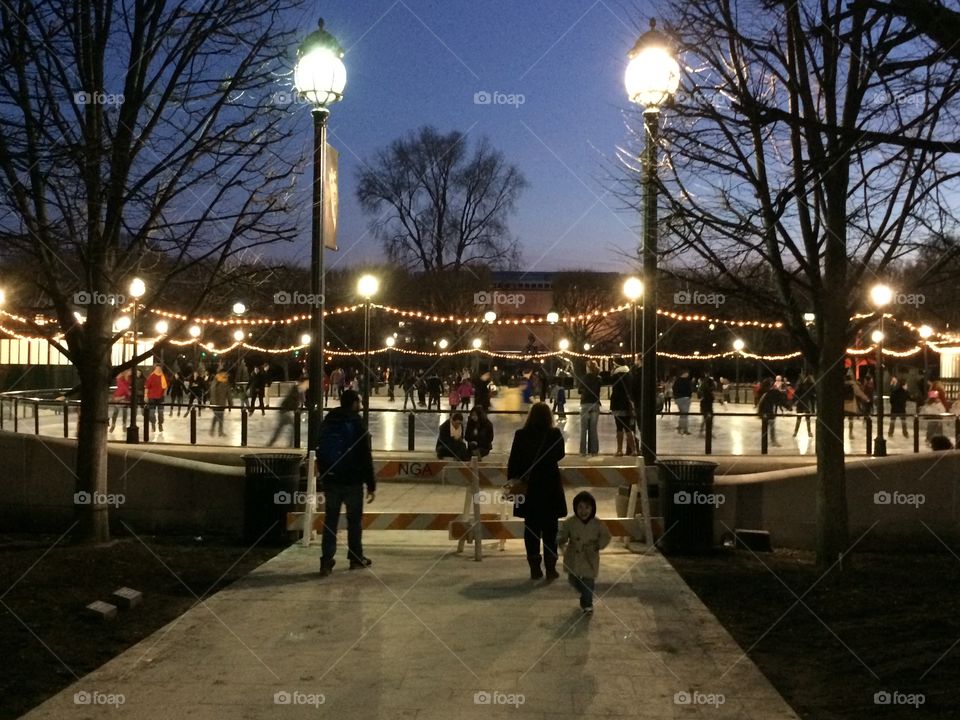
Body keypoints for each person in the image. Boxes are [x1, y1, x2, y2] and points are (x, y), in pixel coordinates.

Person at [318, 389, 375, 576]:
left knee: (330, 520)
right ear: (353, 403)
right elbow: (365, 455)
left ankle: (326, 561)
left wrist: (325, 473)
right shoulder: (357, 423)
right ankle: (355, 558)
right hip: (352, 480)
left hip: (332, 479)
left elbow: (318, 448)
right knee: (354, 521)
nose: (361, 405)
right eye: (359, 401)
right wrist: (371, 483)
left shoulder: (329, 420)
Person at [507, 402, 566, 580]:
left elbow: (513, 461)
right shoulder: (554, 434)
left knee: (531, 529)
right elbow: (560, 454)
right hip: (550, 488)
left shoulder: (521, 435)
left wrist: (513, 482)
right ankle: (551, 567)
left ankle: (534, 567)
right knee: (550, 530)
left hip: (529, 489)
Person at [557, 490, 611, 613]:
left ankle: (587, 603)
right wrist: (560, 540)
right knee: (573, 579)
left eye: (587, 507)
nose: (583, 511)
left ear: (592, 508)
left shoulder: (598, 524)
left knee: (588, 580)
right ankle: (585, 593)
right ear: (575, 508)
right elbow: (563, 534)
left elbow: (606, 536)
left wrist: (598, 545)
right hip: (573, 555)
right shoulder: (570, 522)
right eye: (580, 507)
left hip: (589, 555)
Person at [609, 359, 636, 456]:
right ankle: (634, 450)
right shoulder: (629, 375)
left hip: (618, 405)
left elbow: (614, 390)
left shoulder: (616, 376)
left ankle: (619, 450)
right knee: (628, 428)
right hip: (627, 405)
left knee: (619, 428)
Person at [267, 379, 305, 447]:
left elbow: (299, 401)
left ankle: (271, 443)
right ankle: (290, 444)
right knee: (292, 428)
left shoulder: (297, 390)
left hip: (284, 412)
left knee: (279, 430)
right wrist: (296, 408)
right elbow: (293, 402)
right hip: (285, 413)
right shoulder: (297, 391)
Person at [578, 360, 602, 455]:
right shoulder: (599, 378)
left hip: (585, 404)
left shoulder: (584, 378)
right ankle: (594, 451)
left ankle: (583, 451)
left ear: (588, 368)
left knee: (584, 429)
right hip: (595, 404)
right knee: (593, 429)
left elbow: (580, 391)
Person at [757, 379, 788, 447]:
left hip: (763, 411)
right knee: (772, 426)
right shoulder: (772, 392)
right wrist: (787, 407)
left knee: (766, 426)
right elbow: (780, 400)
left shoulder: (761, 390)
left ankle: (764, 443)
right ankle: (772, 441)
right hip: (769, 411)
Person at [144, 363, 168, 434]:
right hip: (152, 397)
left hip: (160, 398)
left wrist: (164, 393)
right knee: (151, 413)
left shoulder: (163, 377)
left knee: (161, 413)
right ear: (155, 369)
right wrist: (145, 396)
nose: (159, 370)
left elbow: (165, 386)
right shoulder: (151, 377)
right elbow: (147, 387)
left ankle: (160, 424)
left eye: (160, 368)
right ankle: (153, 424)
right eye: (157, 368)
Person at [793, 372, 816, 438]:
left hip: (805, 402)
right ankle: (796, 432)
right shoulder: (801, 385)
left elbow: (812, 395)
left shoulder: (809, 385)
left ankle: (807, 432)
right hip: (803, 403)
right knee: (800, 418)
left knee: (806, 418)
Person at [208, 369, 230, 437]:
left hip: (222, 403)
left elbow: (228, 393)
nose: (226, 375)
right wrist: (214, 404)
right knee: (217, 417)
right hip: (216, 404)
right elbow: (213, 393)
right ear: (221, 373)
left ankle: (220, 432)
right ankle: (212, 430)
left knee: (221, 417)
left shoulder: (225, 381)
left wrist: (230, 403)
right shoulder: (216, 381)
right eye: (224, 373)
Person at [672, 371, 693, 435]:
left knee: (682, 414)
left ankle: (680, 426)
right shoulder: (687, 381)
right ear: (685, 373)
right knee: (685, 415)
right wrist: (689, 396)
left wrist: (676, 397)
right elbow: (690, 390)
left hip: (678, 399)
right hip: (685, 398)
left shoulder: (677, 381)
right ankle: (685, 429)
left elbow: (674, 389)